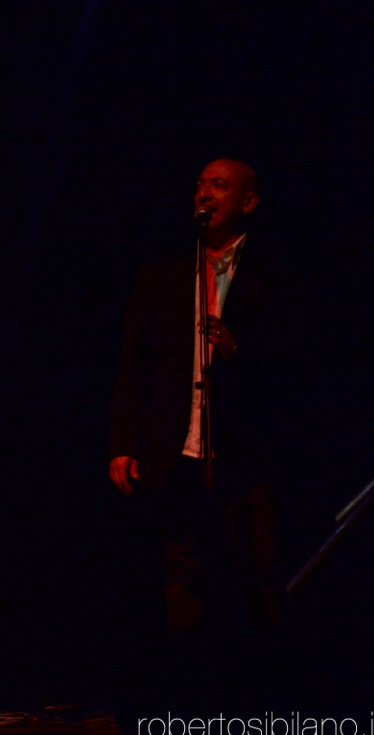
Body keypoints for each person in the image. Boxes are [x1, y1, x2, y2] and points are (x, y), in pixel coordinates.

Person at [108, 159, 299, 707]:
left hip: (244, 453)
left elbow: (300, 363)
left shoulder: (273, 274)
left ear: (248, 202)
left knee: (254, 573)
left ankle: (260, 702)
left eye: (219, 186)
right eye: (200, 184)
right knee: (179, 574)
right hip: (178, 450)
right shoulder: (165, 271)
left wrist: (242, 351)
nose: (205, 193)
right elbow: (132, 364)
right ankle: (185, 702)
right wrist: (124, 443)